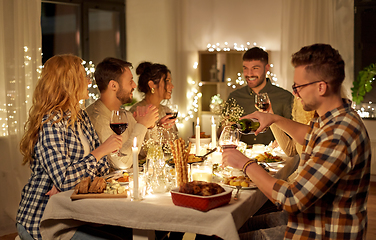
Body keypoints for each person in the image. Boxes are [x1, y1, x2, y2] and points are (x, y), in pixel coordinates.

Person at [222, 44, 371, 239]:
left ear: (321, 87)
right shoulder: (335, 118)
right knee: (232, 223)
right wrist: (274, 118)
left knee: (225, 235)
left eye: (298, 87)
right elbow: (309, 136)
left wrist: (244, 163)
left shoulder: (338, 134)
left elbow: (291, 199)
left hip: (320, 231)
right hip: (311, 216)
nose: (295, 93)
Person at [16, 54, 124, 240]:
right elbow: (66, 178)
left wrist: (69, 181)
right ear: (69, 83)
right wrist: (98, 153)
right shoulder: (50, 123)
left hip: (75, 213)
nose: (89, 81)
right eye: (83, 76)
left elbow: (103, 168)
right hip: (45, 219)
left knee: (126, 232)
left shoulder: (80, 116)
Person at [86, 58, 159, 169]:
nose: (134, 85)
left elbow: (152, 155)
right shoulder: (97, 119)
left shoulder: (126, 115)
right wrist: (142, 125)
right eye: (130, 81)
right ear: (113, 85)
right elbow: (122, 164)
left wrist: (150, 126)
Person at [225, 47, 294, 145]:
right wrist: (226, 127)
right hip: (241, 157)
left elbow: (294, 132)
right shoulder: (234, 97)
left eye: (255, 68)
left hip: (276, 157)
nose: (249, 74)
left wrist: (282, 142)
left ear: (266, 68)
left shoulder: (285, 97)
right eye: (245, 68)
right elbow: (222, 132)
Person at [129, 62, 178, 157]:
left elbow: (174, 144)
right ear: (152, 84)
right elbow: (140, 151)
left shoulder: (166, 110)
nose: (172, 86)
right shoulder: (136, 112)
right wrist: (157, 128)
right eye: (167, 81)